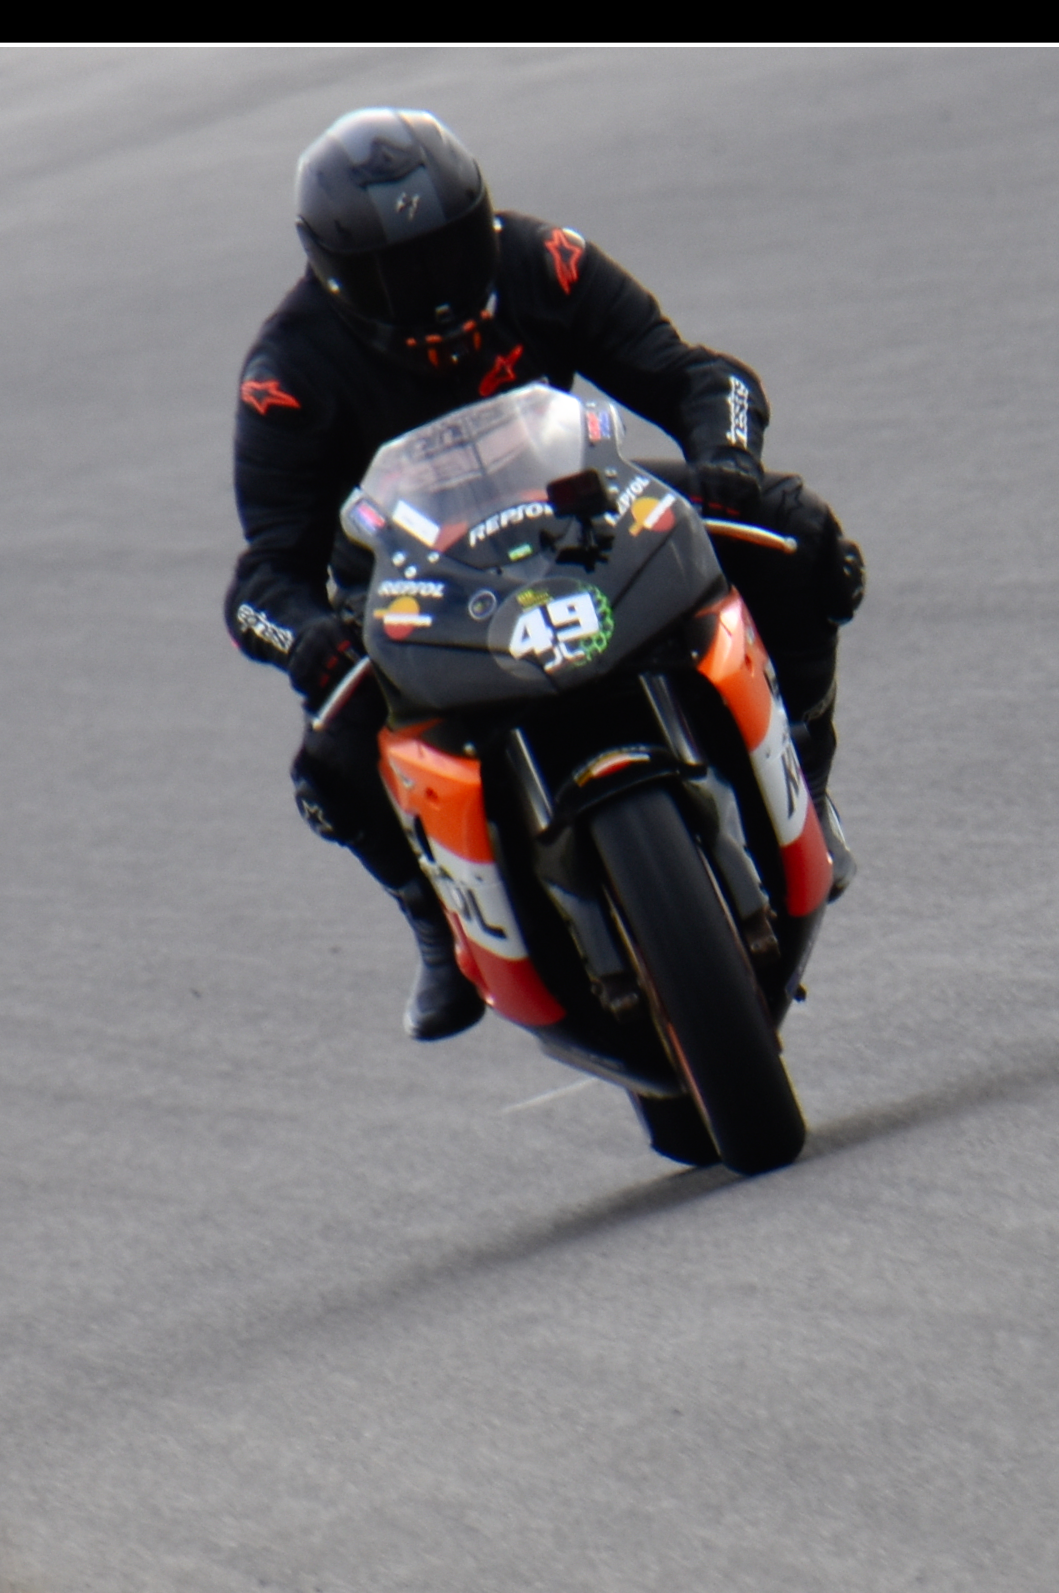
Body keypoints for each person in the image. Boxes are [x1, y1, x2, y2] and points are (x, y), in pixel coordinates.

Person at [225, 108, 866, 1040]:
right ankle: (436, 923)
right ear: (332, 274)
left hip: (579, 512)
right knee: (331, 763)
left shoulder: (545, 262)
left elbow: (699, 376)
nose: (433, 288)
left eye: (449, 252)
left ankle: (803, 773)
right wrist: (309, 640)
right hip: (413, 584)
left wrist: (726, 457)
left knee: (798, 540)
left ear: (482, 224)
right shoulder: (286, 373)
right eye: (397, 272)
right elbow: (261, 582)